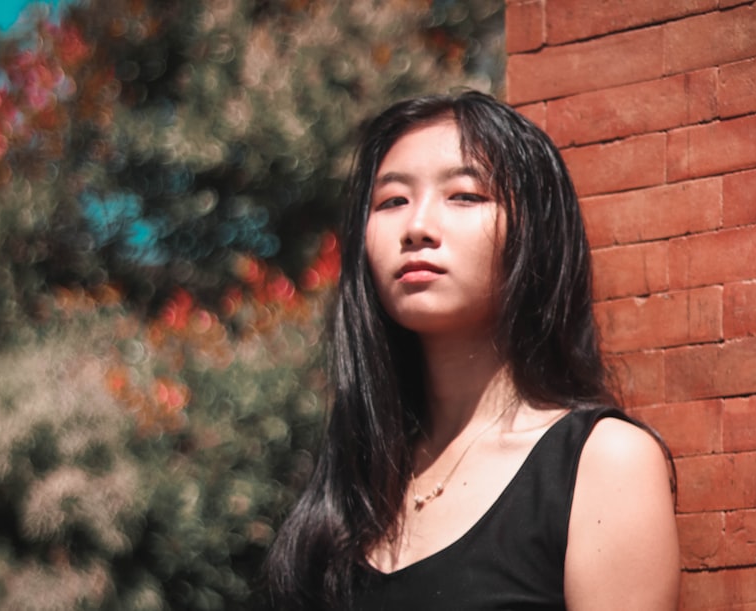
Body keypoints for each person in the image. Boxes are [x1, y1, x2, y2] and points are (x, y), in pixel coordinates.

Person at [263, 90, 680, 610]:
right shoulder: (351, 487)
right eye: (392, 200)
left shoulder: (602, 462)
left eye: (465, 195)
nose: (416, 227)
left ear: (535, 234)